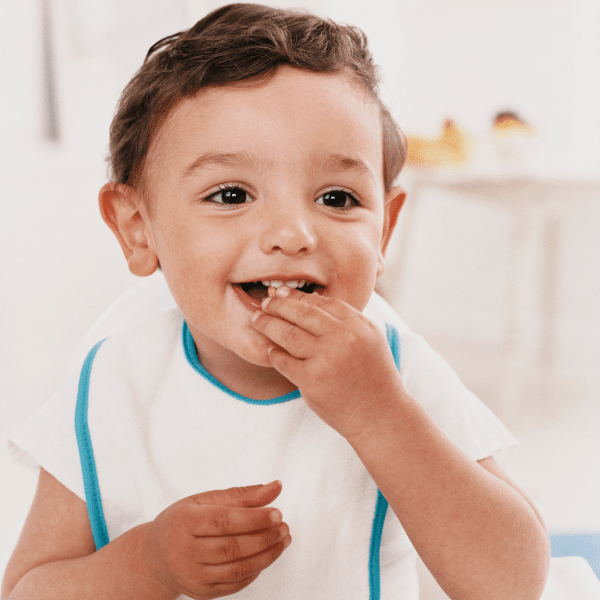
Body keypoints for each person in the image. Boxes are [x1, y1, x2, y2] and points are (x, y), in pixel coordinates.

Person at [2, 4, 550, 599]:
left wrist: (381, 417)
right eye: (231, 193)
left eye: (338, 198)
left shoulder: (395, 373)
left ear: (384, 232)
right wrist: (149, 563)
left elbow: (513, 585)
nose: (293, 234)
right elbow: (29, 589)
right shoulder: (112, 383)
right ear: (138, 228)